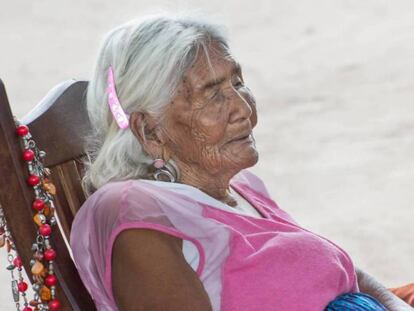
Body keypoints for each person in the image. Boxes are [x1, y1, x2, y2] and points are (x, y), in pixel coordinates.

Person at [70, 13, 413, 311]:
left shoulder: (241, 188)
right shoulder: (134, 213)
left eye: (237, 82)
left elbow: (350, 274)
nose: (244, 109)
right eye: (213, 94)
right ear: (151, 131)